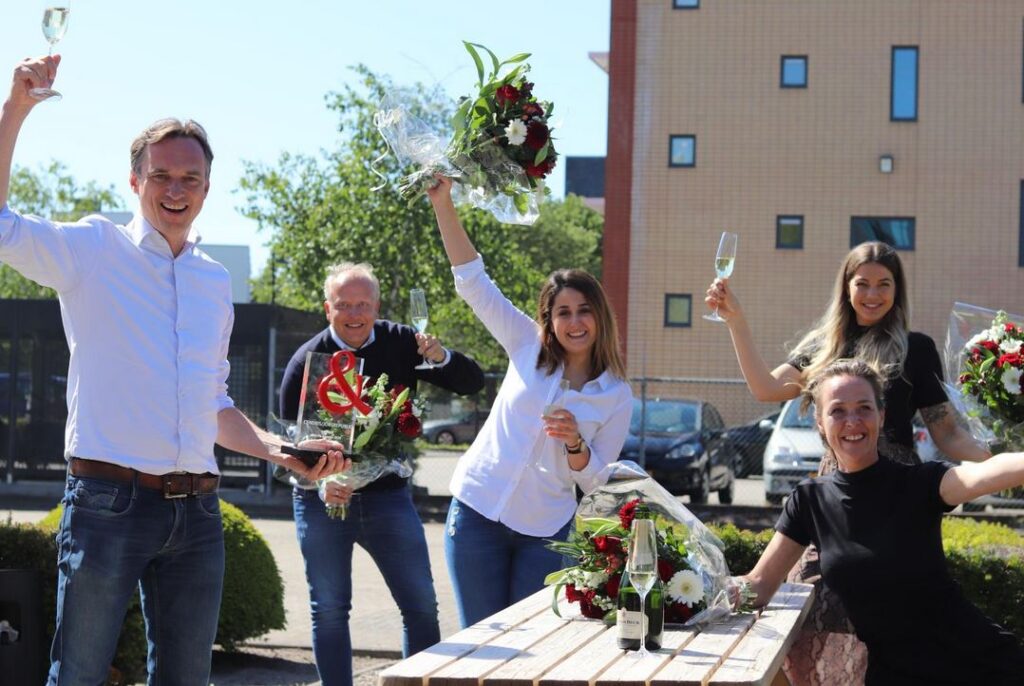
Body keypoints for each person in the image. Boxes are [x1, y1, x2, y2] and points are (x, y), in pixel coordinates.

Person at [0, 56, 347, 685]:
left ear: (207, 188)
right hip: (108, 504)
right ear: (134, 181)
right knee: (76, 677)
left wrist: (283, 451)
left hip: (199, 514)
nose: (175, 189)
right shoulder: (94, 249)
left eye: (190, 177)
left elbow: (211, 404)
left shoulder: (213, 282)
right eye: (160, 175)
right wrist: (15, 109)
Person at [705, 240, 990, 684]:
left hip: (897, 500)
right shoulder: (823, 346)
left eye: (884, 284)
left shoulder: (916, 348)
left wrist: (998, 460)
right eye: (863, 284)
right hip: (834, 499)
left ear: (899, 290)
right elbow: (764, 388)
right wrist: (736, 323)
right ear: (846, 287)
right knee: (801, 613)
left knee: (892, 616)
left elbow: (948, 431)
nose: (873, 294)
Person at [736, 358, 1024, 686]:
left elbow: (984, 474)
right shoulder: (809, 500)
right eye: (838, 410)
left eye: (864, 408)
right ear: (819, 421)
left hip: (977, 667)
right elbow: (758, 585)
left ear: (881, 415)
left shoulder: (920, 483)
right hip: (890, 674)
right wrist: (695, 588)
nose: (852, 421)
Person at [426, 177, 634, 627]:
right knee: (481, 642)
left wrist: (576, 445)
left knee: (526, 652)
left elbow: (599, 485)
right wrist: (443, 203)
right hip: (478, 512)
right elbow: (473, 282)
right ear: (549, 319)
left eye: (584, 310)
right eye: (563, 312)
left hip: (543, 531)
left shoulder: (616, 394)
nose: (574, 322)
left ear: (599, 317)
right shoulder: (526, 343)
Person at [279, 261, 485, 686]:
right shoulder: (306, 361)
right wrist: (322, 484)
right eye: (344, 305)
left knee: (421, 606)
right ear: (327, 308)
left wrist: (438, 355)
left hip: (388, 497)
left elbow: (471, 383)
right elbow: (289, 449)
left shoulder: (403, 342)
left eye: (363, 304)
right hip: (323, 501)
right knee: (330, 609)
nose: (354, 314)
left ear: (377, 306)